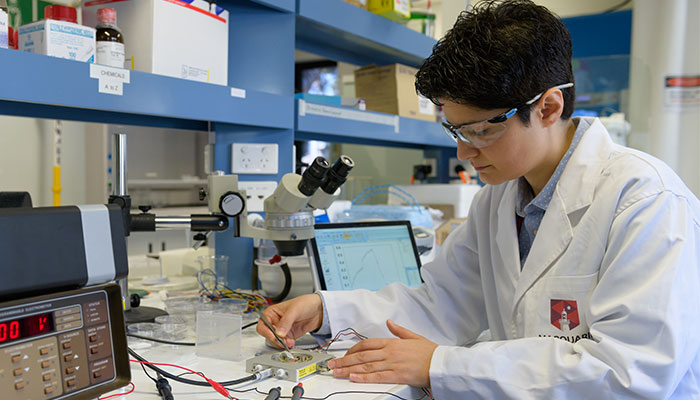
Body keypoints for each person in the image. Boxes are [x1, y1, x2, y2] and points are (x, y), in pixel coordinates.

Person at [257, 0, 700, 398]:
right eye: (455, 129)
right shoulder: (501, 198)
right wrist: (327, 309)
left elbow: (632, 374)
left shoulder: (645, 200)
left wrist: (442, 365)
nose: (464, 152)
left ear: (547, 108)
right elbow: (440, 302)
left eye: (481, 130)